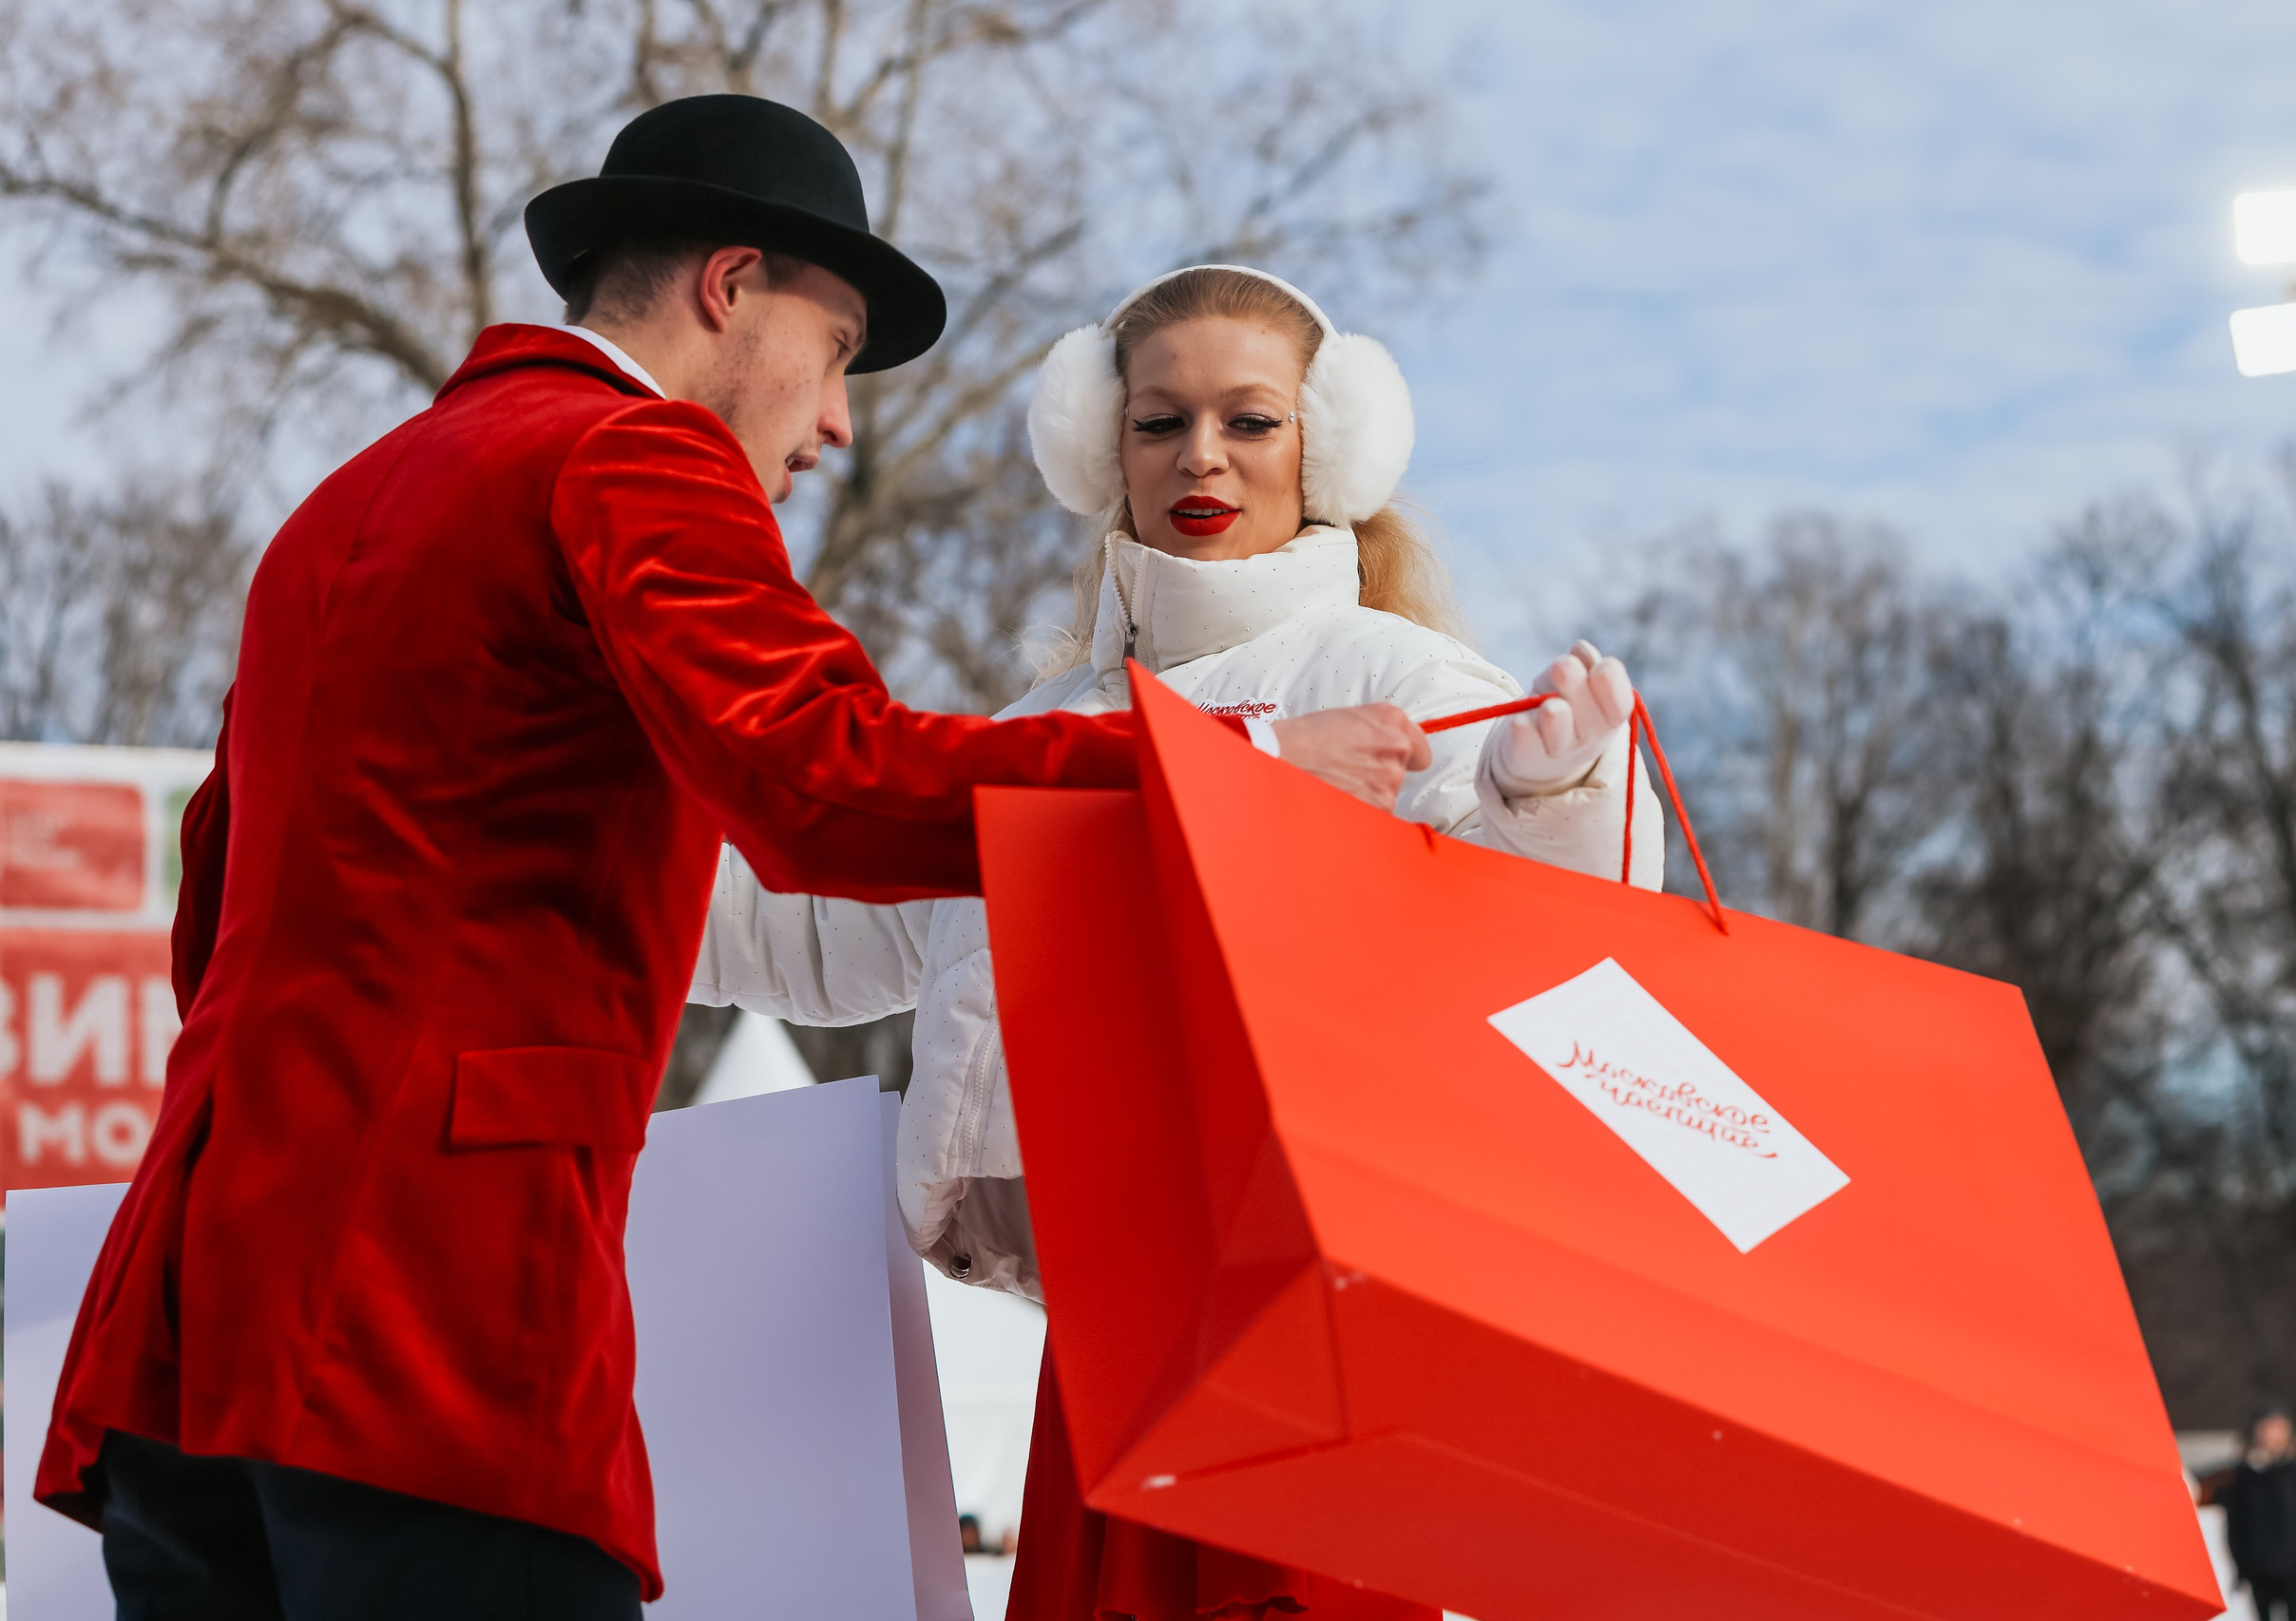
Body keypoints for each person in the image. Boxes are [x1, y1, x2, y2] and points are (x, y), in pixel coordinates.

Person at [32, 101, 1425, 1621]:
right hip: (433, 1324)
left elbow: (216, 881)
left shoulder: (347, 502)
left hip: (184, 1336)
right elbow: (824, 774)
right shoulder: (634, 457)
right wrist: (1217, 768)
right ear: (729, 287)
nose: (836, 423)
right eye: (834, 354)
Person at [693, 264, 1664, 1619]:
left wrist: (1552, 793)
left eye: (1249, 420)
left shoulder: (1398, 679)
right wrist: (584, 862)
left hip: (1317, 1348)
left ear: (1327, 445)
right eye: (1159, 422)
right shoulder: (1049, 727)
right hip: (1106, 1349)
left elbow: (1538, 936)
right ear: (1102, 446)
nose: (1200, 455)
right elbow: (825, 916)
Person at [2222, 1405, 2296, 1621]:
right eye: (2267, 1428)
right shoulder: (2245, 1476)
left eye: (2278, 1428)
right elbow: (2235, 1525)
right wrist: (2242, 1566)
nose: (2272, 1435)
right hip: (2259, 1570)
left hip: (2294, 1569)